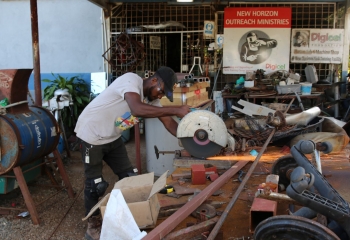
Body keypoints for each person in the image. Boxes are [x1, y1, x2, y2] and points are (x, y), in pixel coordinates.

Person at [74, 66, 191, 240]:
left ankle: (132, 215)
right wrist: (175, 109)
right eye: (161, 91)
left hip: (112, 137)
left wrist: (190, 140)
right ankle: (93, 227)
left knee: (130, 178)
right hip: (92, 134)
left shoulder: (151, 101)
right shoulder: (131, 80)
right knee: (95, 185)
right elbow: (137, 109)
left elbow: (169, 123)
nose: (160, 96)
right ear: (154, 80)